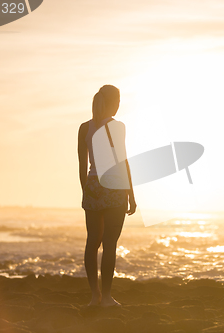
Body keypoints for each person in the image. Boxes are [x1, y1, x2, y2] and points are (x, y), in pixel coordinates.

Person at [77, 85, 137, 307]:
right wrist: (131, 193)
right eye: (118, 100)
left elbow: (82, 165)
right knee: (109, 243)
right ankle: (107, 298)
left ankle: (94, 296)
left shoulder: (84, 128)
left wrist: (87, 191)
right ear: (113, 102)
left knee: (92, 242)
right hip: (114, 185)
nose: (119, 104)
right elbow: (122, 161)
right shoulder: (117, 126)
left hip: (93, 185)